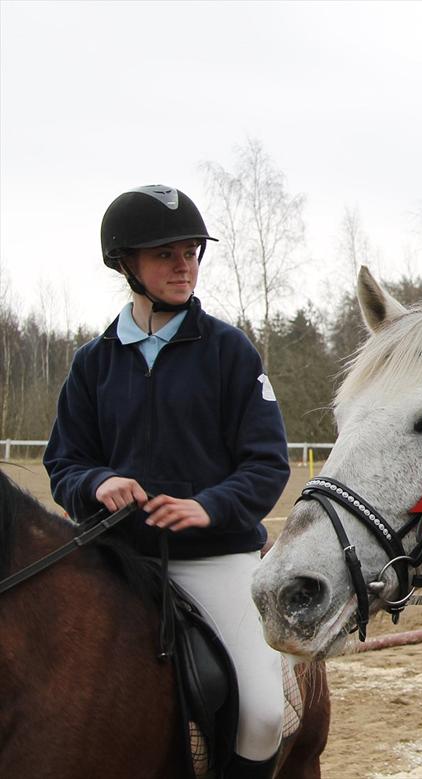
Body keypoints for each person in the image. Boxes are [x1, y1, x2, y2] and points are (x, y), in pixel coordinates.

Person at [43, 185, 291, 778]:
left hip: (214, 558)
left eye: (190, 252)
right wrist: (97, 484)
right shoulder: (92, 362)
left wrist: (210, 506)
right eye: (165, 255)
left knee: (262, 717)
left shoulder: (230, 352)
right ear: (125, 263)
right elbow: (64, 463)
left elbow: (267, 463)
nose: (184, 266)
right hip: (116, 560)